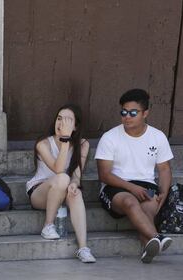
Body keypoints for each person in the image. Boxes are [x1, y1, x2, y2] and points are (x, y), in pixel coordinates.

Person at [95, 89, 173, 263]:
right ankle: (156, 237)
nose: (127, 117)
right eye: (123, 112)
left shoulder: (157, 136)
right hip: (115, 186)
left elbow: (165, 169)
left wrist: (163, 194)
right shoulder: (109, 137)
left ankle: (149, 247)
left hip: (146, 185)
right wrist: (132, 188)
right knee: (130, 202)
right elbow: (104, 175)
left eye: (133, 113)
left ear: (145, 113)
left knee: (148, 209)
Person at [26, 104, 96, 263]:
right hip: (40, 193)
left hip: (63, 190)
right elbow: (58, 169)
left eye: (67, 121)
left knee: (75, 191)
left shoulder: (83, 144)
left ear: (76, 126)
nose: (61, 124)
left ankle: (83, 248)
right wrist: (65, 139)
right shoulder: (43, 144)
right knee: (63, 178)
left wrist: (74, 183)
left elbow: (77, 175)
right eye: (59, 119)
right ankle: (48, 226)